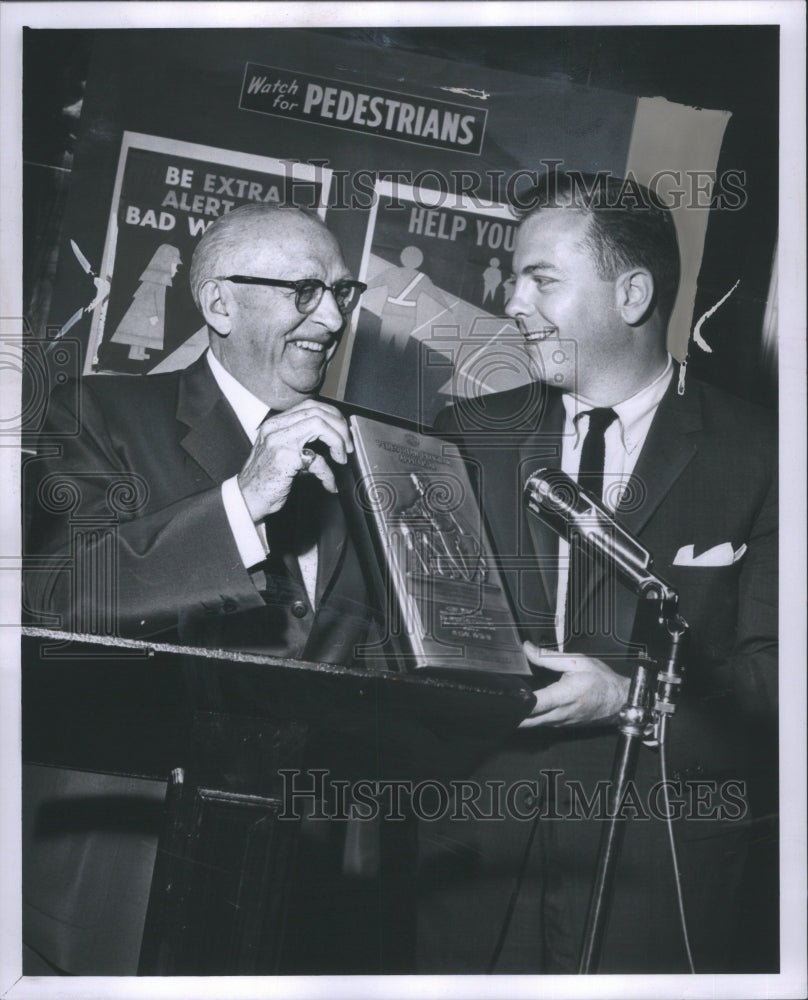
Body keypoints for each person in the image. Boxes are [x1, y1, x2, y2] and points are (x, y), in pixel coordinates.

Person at [417, 172, 777, 974]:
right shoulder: (464, 438)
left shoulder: (769, 456)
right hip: (476, 859)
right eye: (515, 279)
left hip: (658, 875)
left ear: (633, 293)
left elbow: (782, 684)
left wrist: (628, 697)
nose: (513, 303)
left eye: (541, 279)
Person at [22, 204, 377, 973]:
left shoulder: (367, 454)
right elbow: (57, 597)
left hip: (297, 900)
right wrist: (240, 505)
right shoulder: (96, 413)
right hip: (124, 882)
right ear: (219, 303)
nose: (332, 318)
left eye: (344, 294)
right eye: (306, 291)